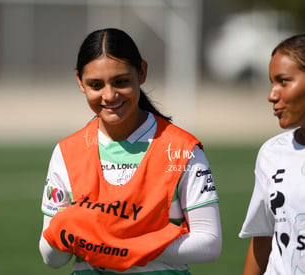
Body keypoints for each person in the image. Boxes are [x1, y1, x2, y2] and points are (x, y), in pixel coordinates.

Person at [39, 28, 221, 274]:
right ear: (80, 82)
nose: (110, 95)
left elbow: (209, 243)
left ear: (142, 72)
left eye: (121, 81)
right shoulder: (66, 153)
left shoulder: (181, 150)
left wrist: (116, 240)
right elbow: (53, 258)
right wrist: (68, 229)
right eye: (96, 85)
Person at [239, 33, 305, 275]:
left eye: (283, 81)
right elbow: (263, 237)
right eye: (271, 82)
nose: (272, 95)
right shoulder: (271, 153)